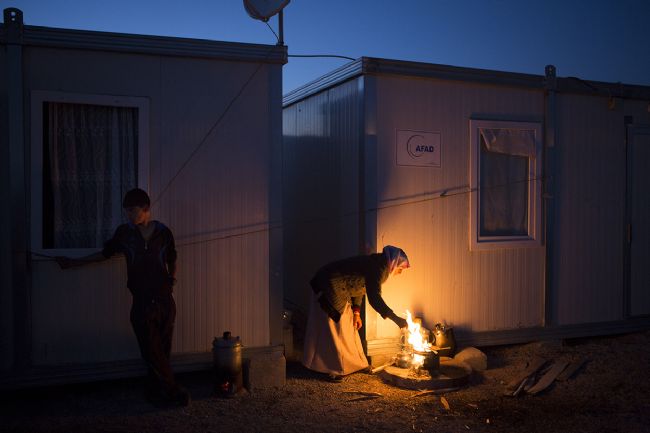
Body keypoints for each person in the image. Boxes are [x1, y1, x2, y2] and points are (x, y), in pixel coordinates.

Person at [56, 188, 190, 407]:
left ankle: (155, 392)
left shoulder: (164, 232)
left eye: (131, 210)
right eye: (126, 211)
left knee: (162, 351)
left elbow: (173, 258)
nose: (128, 215)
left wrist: (171, 281)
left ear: (145, 208)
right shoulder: (125, 233)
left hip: (165, 302)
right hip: (142, 303)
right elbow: (104, 254)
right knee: (151, 351)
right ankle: (175, 391)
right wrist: (73, 262)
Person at [302, 245, 410, 382]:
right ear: (394, 263)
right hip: (329, 284)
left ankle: (354, 364)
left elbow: (359, 287)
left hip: (340, 287)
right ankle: (334, 368)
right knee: (336, 329)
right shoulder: (378, 267)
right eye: (400, 269)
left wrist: (357, 313)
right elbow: (374, 298)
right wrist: (395, 319)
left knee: (349, 325)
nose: (400, 273)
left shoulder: (377, 264)